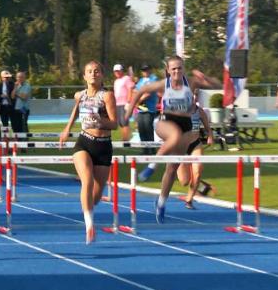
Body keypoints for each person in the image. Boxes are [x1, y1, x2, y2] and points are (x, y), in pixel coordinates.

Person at [126, 55, 221, 222]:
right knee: (174, 134)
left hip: (186, 127)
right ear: (168, 71)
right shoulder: (164, 84)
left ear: (183, 69)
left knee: (172, 169)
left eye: (179, 68)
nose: (177, 71)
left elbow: (219, 85)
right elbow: (140, 91)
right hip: (166, 123)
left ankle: (161, 203)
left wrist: (206, 78)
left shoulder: (191, 82)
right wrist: (126, 115)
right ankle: (152, 165)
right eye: (173, 69)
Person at [59, 61, 118, 244]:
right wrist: (67, 129)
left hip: (103, 145)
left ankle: (88, 209)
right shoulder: (80, 95)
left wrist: (101, 121)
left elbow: (115, 124)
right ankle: (89, 225)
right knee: (87, 180)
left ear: (102, 75)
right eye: (89, 71)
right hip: (84, 142)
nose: (93, 74)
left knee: (98, 193)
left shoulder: (107, 96)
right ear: (84, 76)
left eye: (97, 71)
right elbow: (76, 111)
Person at [177, 89, 215, 209]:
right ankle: (201, 185)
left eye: (195, 96)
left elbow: (208, 127)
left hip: (195, 145)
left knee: (197, 172)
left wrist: (210, 136)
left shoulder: (199, 111)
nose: (194, 98)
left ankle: (189, 200)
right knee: (184, 181)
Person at [134, 64, 160, 179]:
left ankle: (151, 149)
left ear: (150, 70)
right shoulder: (140, 81)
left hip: (149, 108)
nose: (145, 72)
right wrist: (137, 100)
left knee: (148, 128)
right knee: (141, 129)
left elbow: (148, 92)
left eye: (146, 70)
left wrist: (139, 100)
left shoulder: (153, 79)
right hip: (140, 109)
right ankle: (145, 149)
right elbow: (136, 91)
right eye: (143, 70)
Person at [112, 64, 135, 142]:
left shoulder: (126, 78)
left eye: (118, 71)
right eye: (115, 71)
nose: (117, 72)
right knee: (120, 123)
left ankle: (126, 140)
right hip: (117, 104)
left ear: (122, 70)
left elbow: (130, 90)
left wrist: (128, 102)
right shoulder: (116, 81)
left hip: (124, 103)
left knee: (124, 121)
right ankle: (124, 139)